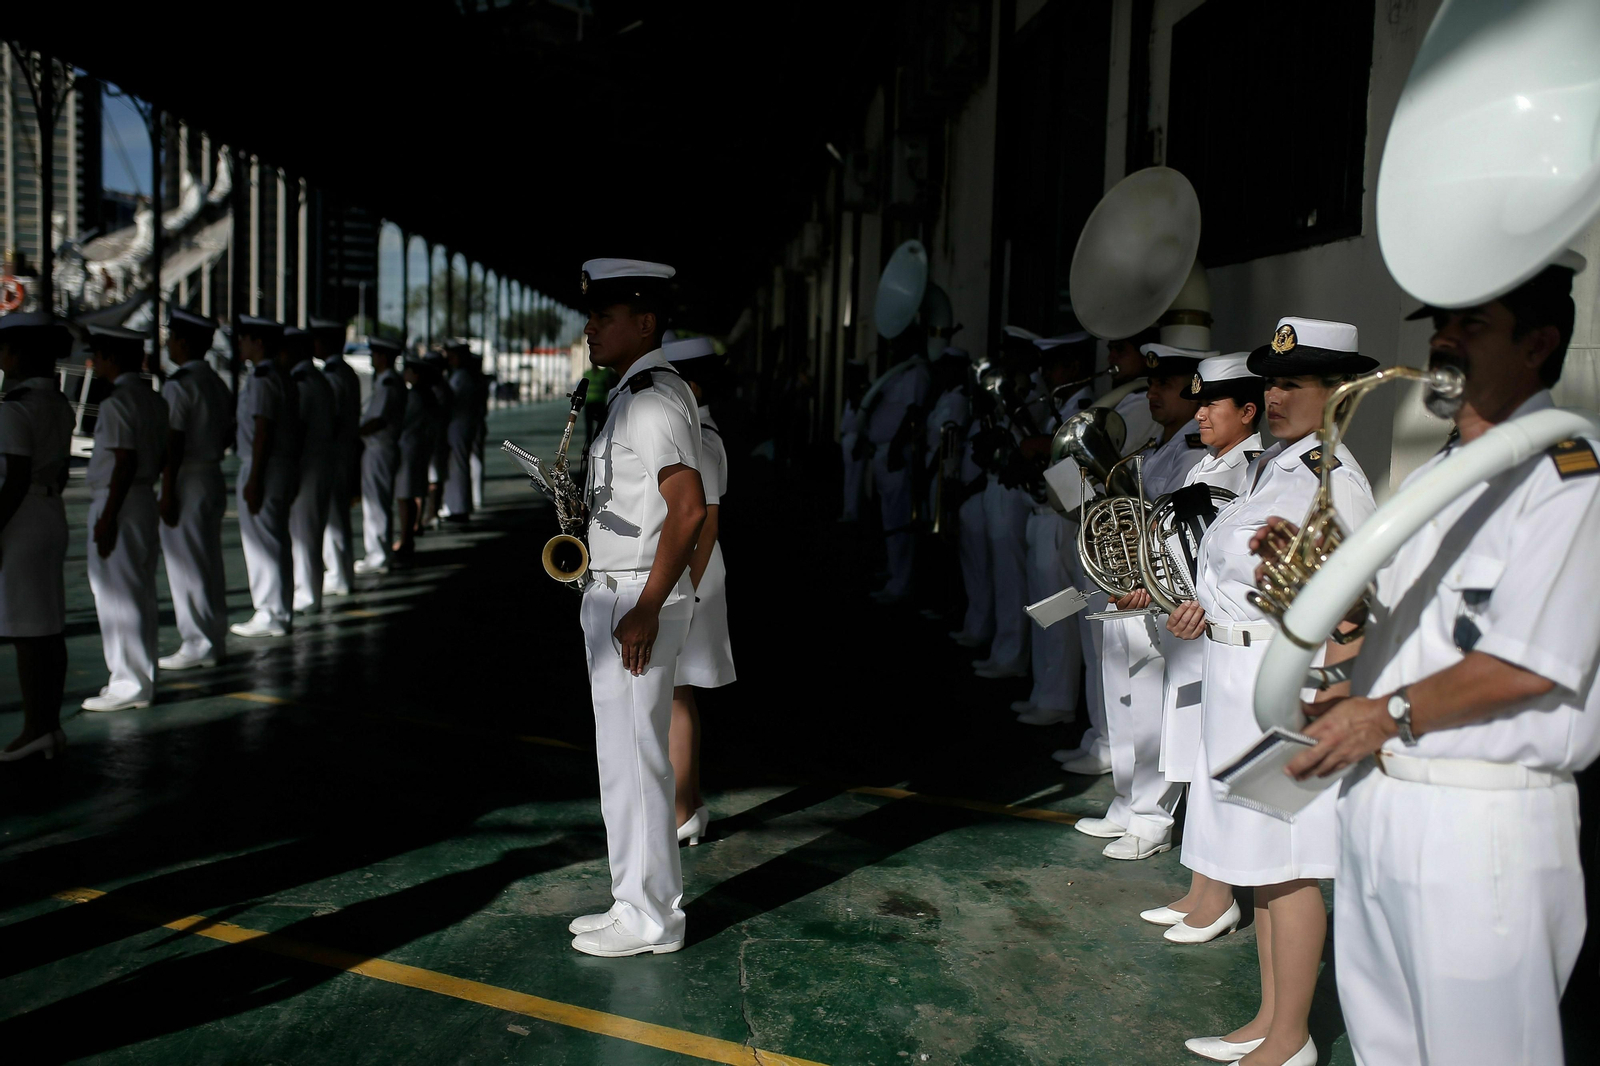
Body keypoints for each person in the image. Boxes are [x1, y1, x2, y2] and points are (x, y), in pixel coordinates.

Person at [1283, 257, 1600, 1066]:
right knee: (1386, 1050)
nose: (1444, 342)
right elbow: (1397, 634)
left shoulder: (1570, 478)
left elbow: (1531, 663)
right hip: (1382, 801)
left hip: (1480, 821)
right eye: (1440, 326)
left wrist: (1380, 714)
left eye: (1472, 326)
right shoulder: (1437, 475)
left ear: (1538, 345)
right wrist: (1327, 604)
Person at [1164, 318, 1376, 1066]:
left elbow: (1352, 601)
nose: (1275, 394)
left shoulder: (1332, 477)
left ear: (1337, 393)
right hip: (1234, 678)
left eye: (1293, 383)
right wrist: (1202, 610)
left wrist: (1327, 697)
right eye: (1273, 381)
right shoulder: (1274, 467)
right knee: (1260, 862)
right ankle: (1267, 1020)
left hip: (1281, 685)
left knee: (1290, 866)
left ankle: (1291, 1039)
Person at [565, 258, 706, 958]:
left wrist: (648, 606)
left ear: (645, 322)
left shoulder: (652, 399)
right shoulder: (631, 393)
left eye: (605, 315)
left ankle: (654, 918)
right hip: (616, 594)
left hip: (635, 600)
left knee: (640, 761)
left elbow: (687, 508)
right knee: (619, 761)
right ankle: (632, 903)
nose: (590, 327)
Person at [1138, 353, 1264, 928]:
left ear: (1247, 411)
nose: (1202, 413)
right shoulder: (1205, 464)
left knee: (1213, 764)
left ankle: (1219, 896)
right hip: (1191, 626)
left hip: (1218, 628)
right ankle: (1201, 887)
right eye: (1202, 400)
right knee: (1190, 752)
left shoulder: (1249, 470)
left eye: (1213, 402)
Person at [1075, 343, 1206, 859]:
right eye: (1149, 383)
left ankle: (1153, 818)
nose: (1152, 392)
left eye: (1164, 385)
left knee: (1152, 708)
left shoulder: (1194, 454)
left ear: (1192, 392)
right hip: (1127, 591)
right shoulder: (1155, 446)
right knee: (1123, 700)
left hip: (1156, 598)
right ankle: (1127, 802)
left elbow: (1176, 532)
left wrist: (1147, 579)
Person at [1055, 327, 1161, 774]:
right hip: (1099, 532)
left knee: (1120, 662)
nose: (1113, 355)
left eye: (1120, 347)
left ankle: (1109, 746)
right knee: (1099, 651)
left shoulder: (1136, 405)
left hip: (1127, 552)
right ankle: (1101, 737)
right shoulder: (1119, 400)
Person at [662, 334, 735, 847]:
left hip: (693, 575)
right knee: (675, 693)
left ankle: (683, 808)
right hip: (692, 574)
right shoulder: (696, 433)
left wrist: (681, 592)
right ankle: (692, 805)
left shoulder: (702, 440)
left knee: (674, 695)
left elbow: (705, 523)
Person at [82, 323, 169, 711]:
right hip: (143, 499)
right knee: (137, 589)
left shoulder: (118, 402)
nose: (93, 362)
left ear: (112, 358)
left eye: (98, 355)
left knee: (117, 593)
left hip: (120, 500)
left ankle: (129, 682)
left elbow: (123, 460)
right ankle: (138, 676)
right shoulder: (153, 399)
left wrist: (108, 517)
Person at [0, 313, 74, 759]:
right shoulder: (59, 404)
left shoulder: (14, 407)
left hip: (20, 518)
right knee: (49, 627)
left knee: (27, 631)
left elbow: (12, 478)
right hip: (50, 511)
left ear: (17, 354)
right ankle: (50, 726)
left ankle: (34, 729)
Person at [1013, 334, 1094, 725]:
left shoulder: (1084, 408)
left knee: (1063, 616)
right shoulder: (1060, 408)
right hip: (1048, 517)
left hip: (1064, 521)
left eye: (1055, 365)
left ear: (1075, 368)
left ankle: (1058, 701)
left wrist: (1039, 445)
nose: (1048, 375)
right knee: (1048, 613)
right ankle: (1046, 692)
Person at [156, 308, 233, 670]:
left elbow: (173, 442)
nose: (168, 344)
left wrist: (167, 491)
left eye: (171, 337)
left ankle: (197, 642)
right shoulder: (216, 382)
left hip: (187, 477)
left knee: (187, 563)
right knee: (208, 560)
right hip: (212, 475)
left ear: (183, 341)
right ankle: (213, 636)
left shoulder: (179, 384)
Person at [971, 327, 1040, 679]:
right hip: (1001, 483)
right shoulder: (1010, 384)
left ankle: (1013, 655)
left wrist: (1012, 407)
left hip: (1019, 492)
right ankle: (1005, 648)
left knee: (1014, 577)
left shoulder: (1035, 387)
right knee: (1003, 575)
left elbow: (1036, 434)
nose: (1007, 360)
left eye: (1014, 353)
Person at [230, 316, 300, 638]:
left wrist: (254, 477)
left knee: (263, 540)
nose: (240, 343)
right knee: (275, 538)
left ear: (258, 342)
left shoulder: (262, 377)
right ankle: (278, 609)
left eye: (244, 338)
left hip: (265, 465)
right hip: (280, 464)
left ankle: (271, 612)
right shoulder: (282, 375)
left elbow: (263, 429)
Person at [863, 337, 931, 606]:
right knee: (889, 518)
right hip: (883, 452)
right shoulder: (898, 373)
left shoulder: (916, 373)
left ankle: (900, 582)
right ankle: (894, 571)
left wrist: (895, 448)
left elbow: (912, 413)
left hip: (896, 455)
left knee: (898, 520)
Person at [283, 326, 336, 613]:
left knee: (304, 532)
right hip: (321, 460)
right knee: (310, 529)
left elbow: (297, 427)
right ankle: (308, 590)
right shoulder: (317, 378)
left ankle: (307, 595)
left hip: (307, 463)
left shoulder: (303, 381)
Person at [312, 317, 360, 597]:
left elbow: (330, 417)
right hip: (344, 449)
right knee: (335, 514)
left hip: (334, 451)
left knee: (334, 515)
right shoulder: (346, 372)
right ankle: (340, 571)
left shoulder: (332, 375)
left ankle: (340, 574)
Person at [356, 336, 406, 575]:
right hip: (381, 449)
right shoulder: (389, 382)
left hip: (380, 448)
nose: (372, 359)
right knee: (377, 501)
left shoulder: (388, 383)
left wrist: (353, 434)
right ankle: (377, 552)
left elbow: (378, 419)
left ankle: (379, 556)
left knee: (376, 502)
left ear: (383, 357)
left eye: (374, 355)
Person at [394, 353, 440, 560]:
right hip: (420, 447)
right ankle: (410, 534)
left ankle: (406, 539)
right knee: (413, 492)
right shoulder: (428, 395)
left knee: (405, 495)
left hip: (409, 449)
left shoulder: (414, 396)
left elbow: (400, 421)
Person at [442, 339, 477, 521]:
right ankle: (456, 506)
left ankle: (460, 508)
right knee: (456, 467)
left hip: (459, 424)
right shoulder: (460, 375)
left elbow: (450, 400)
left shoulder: (462, 376)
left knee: (459, 467)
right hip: (459, 424)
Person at [838, 361, 868, 522]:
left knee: (854, 478)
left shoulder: (860, 395)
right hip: (849, 437)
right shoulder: (853, 394)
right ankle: (848, 511)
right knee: (850, 478)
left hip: (855, 437)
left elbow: (860, 421)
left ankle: (852, 512)